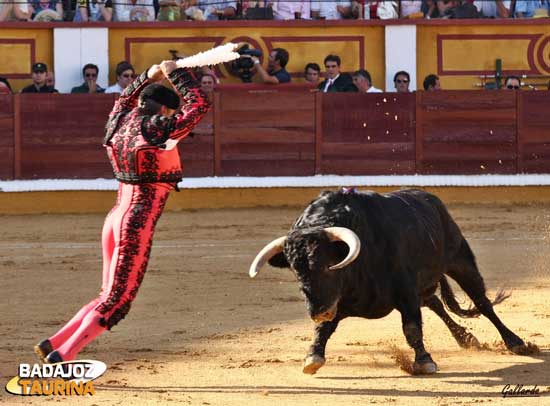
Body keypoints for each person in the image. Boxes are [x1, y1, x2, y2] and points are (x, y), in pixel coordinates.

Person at [34, 59, 211, 364]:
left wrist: (149, 74)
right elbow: (199, 104)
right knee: (118, 301)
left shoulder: (118, 121)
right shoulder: (159, 129)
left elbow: (123, 98)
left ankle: (54, 342)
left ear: (142, 102)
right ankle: (64, 354)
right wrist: (176, 74)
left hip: (115, 217)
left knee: (107, 293)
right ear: (166, 111)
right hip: (136, 221)